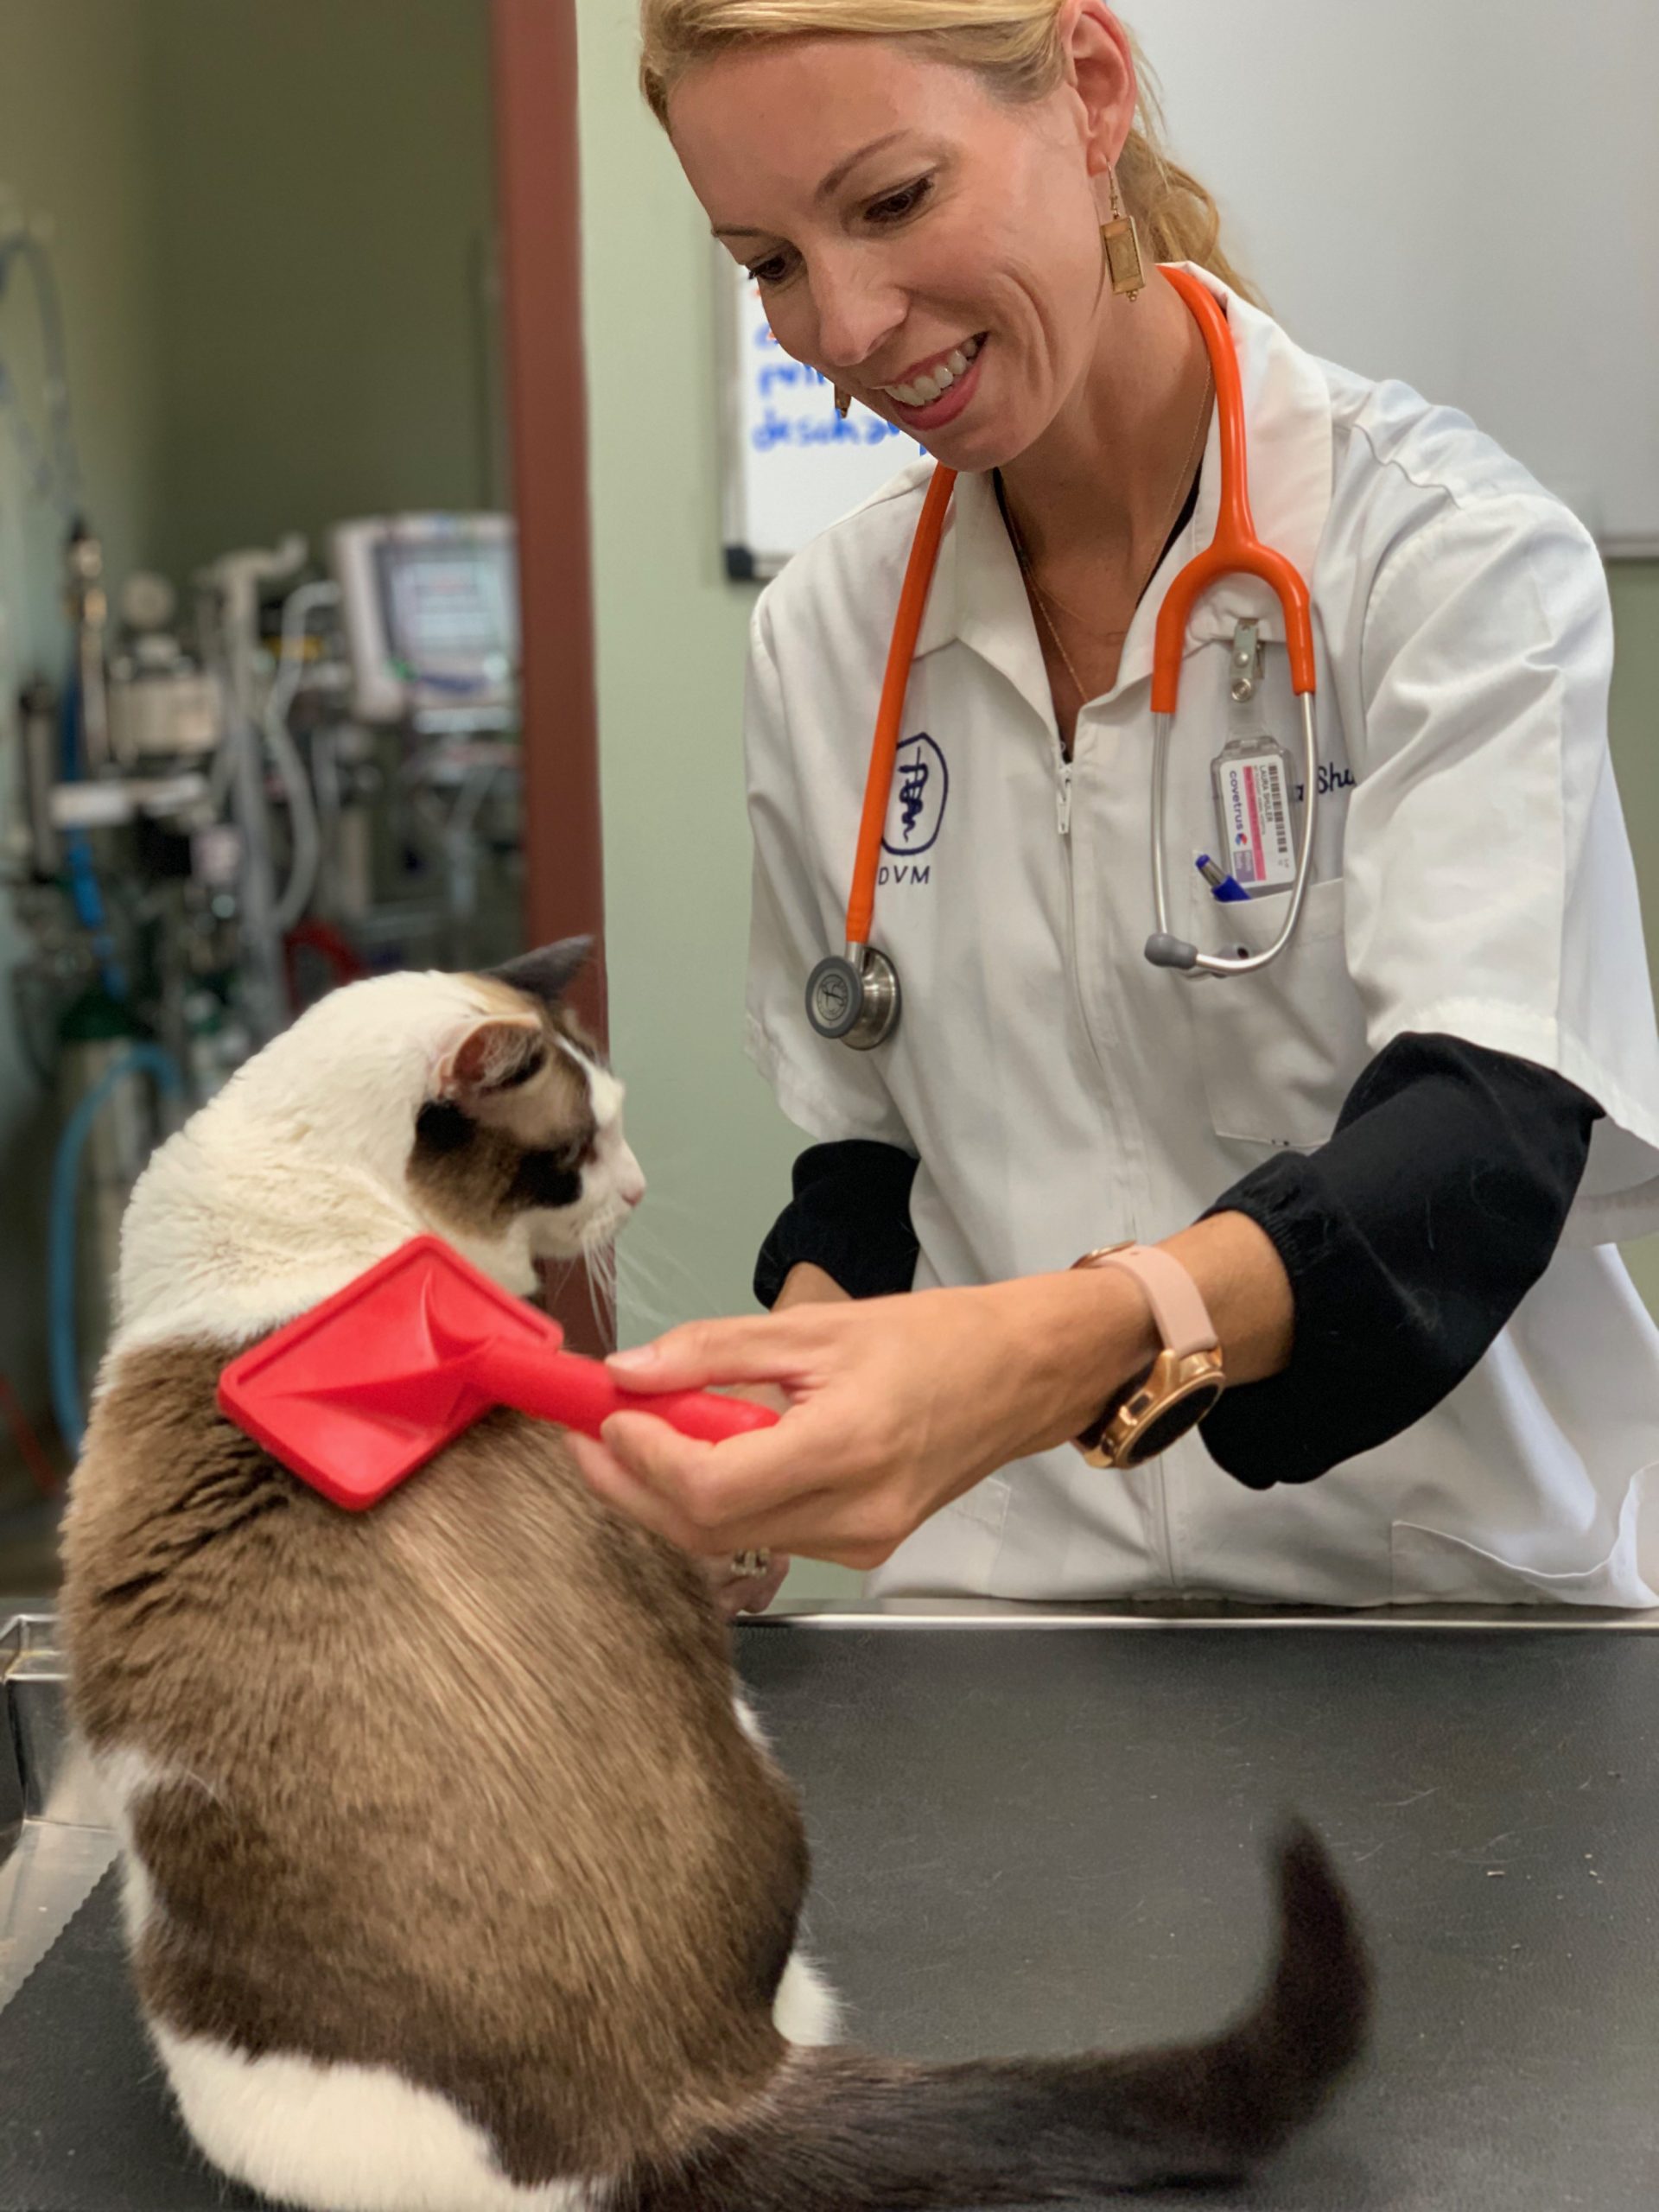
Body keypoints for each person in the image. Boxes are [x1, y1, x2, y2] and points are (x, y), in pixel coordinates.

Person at [569, 0, 1659, 1609]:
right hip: (1008, 1625)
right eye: (769, 263)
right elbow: (876, 1165)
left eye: (891, 202)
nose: (846, 326)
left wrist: (1030, 1357)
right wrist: (764, 1419)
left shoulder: (1444, 561)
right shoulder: (830, 637)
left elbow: (1481, 1143)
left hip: (1440, 1614)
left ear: (1087, 92)